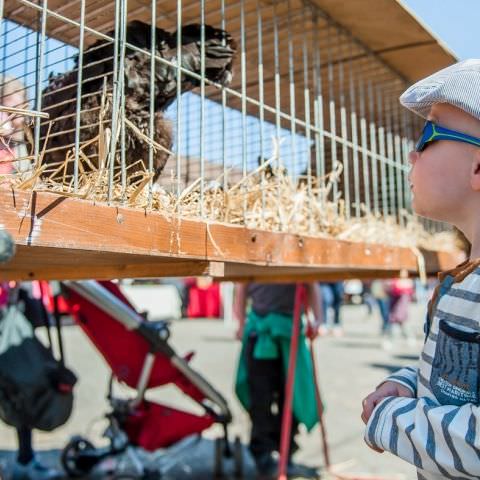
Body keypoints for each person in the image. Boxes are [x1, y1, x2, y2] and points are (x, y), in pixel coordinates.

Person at [361, 59, 480, 480]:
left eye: (428, 134)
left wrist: (392, 418)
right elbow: (459, 381)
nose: (412, 152)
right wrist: (409, 384)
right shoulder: (464, 278)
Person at [0, 77, 62, 480]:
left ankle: (25, 458)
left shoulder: (21, 152)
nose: (20, 118)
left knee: (25, 377)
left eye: (23, 110)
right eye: (13, 109)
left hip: (18, 291)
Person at [234, 283, 323, 479]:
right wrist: (240, 322)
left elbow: (312, 284)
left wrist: (318, 320)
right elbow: (241, 286)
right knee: (260, 399)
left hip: (289, 332)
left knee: (291, 398)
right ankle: (264, 454)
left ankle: (286, 452)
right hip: (260, 332)